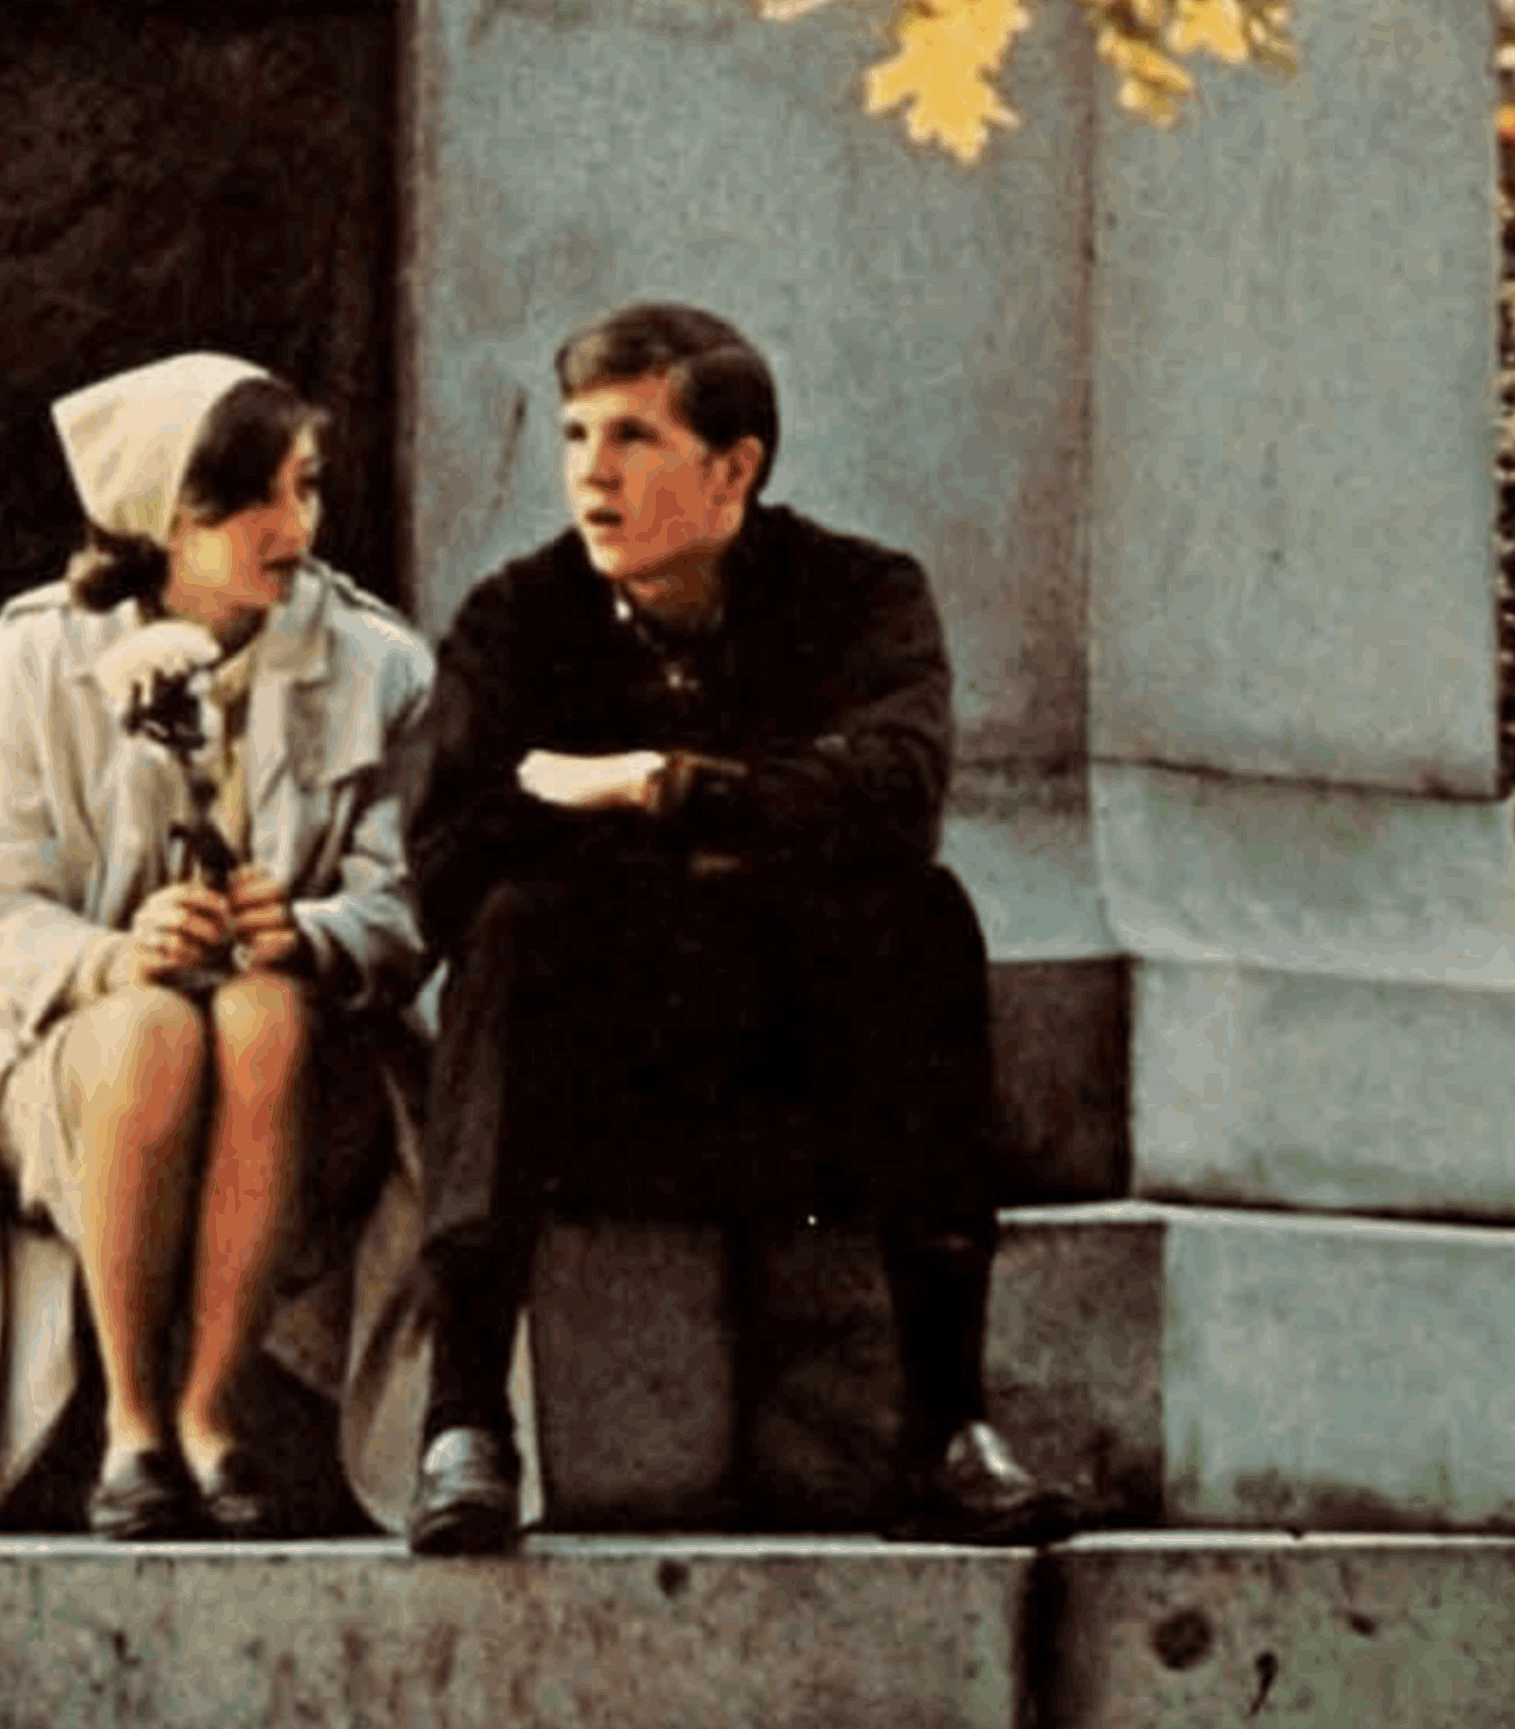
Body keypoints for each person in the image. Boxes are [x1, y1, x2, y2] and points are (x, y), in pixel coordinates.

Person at [399, 303, 1071, 1555]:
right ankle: (465, 1424)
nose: (591, 474)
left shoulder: (861, 596)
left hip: (800, 1075)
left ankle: (946, 1430)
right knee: (510, 928)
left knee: (921, 915)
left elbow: (897, 796)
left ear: (735, 469)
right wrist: (754, 820)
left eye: (634, 438)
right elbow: (449, 859)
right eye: (576, 436)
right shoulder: (517, 619)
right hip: (604, 1082)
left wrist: (656, 783)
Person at [0, 353, 434, 1539]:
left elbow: (417, 894)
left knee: (262, 1010)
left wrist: (317, 930)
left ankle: (214, 1412)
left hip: (303, 1082)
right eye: (255, 501)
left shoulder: (378, 662)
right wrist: (117, 954)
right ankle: (133, 1424)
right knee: (151, 1031)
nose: (296, 526)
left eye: (307, 489)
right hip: (96, 1075)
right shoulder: (37, 654)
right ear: (163, 520)